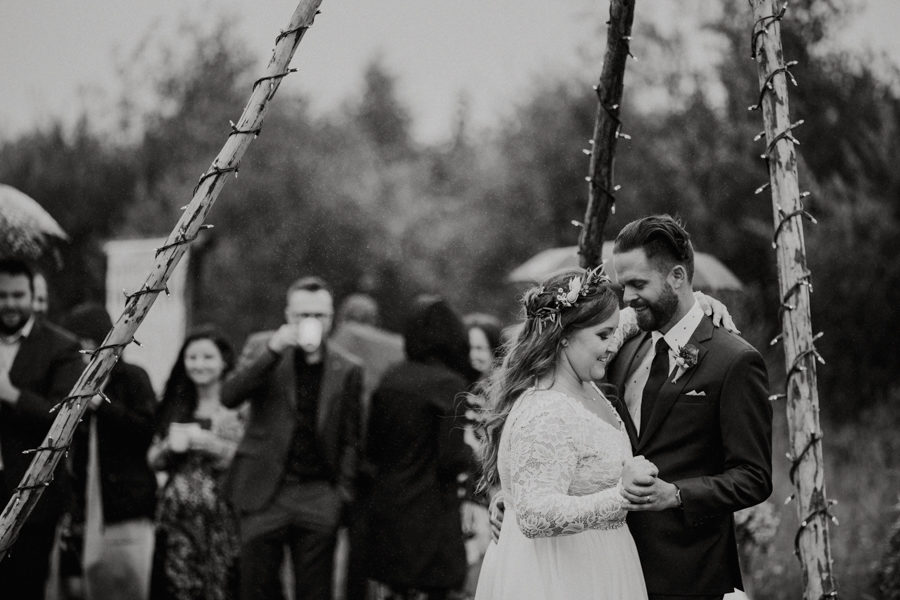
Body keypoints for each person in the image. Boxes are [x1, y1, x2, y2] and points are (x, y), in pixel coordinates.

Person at [608, 215, 773, 600]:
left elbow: (754, 476)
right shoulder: (623, 348)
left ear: (677, 277)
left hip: (692, 574)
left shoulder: (734, 361)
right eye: (622, 285)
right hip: (615, 566)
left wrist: (677, 494)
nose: (626, 298)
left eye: (638, 284)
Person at [473, 267, 654, 600]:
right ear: (564, 335)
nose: (612, 343)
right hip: (561, 579)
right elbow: (534, 514)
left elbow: (614, 322)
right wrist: (623, 496)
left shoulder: (581, 382)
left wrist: (695, 303)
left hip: (599, 567)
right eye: (603, 336)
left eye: (614, 333)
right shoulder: (546, 410)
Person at [222, 276, 363, 600]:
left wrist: (339, 496)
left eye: (320, 315)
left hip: (318, 494)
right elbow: (230, 396)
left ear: (331, 318)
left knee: (315, 592)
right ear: (288, 316)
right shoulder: (264, 346)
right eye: (303, 315)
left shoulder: (348, 367)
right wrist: (274, 350)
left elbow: (352, 439)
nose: (312, 322)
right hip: (264, 491)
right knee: (256, 588)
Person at [360, 295, 476, 599]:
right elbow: (450, 458)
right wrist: (475, 455)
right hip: (432, 515)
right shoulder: (449, 384)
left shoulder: (391, 378)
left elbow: (371, 448)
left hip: (389, 510)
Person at [61, 303, 158, 600]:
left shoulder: (133, 378)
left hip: (125, 509)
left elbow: (144, 432)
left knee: (130, 587)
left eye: (89, 344)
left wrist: (101, 406)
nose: (85, 353)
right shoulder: (69, 384)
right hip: (83, 511)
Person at [0, 258, 83, 599]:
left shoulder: (60, 346)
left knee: (23, 589)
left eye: (18, 294)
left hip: (29, 491)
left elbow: (64, 416)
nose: (9, 303)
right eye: (1, 295)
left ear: (34, 296)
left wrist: (10, 394)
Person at [148, 326, 243, 600]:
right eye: (192, 357)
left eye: (207, 357)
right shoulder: (174, 404)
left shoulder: (238, 408)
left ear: (224, 362)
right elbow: (153, 460)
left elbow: (249, 460)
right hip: (177, 521)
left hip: (224, 521)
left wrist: (212, 445)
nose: (199, 364)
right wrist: (169, 446)